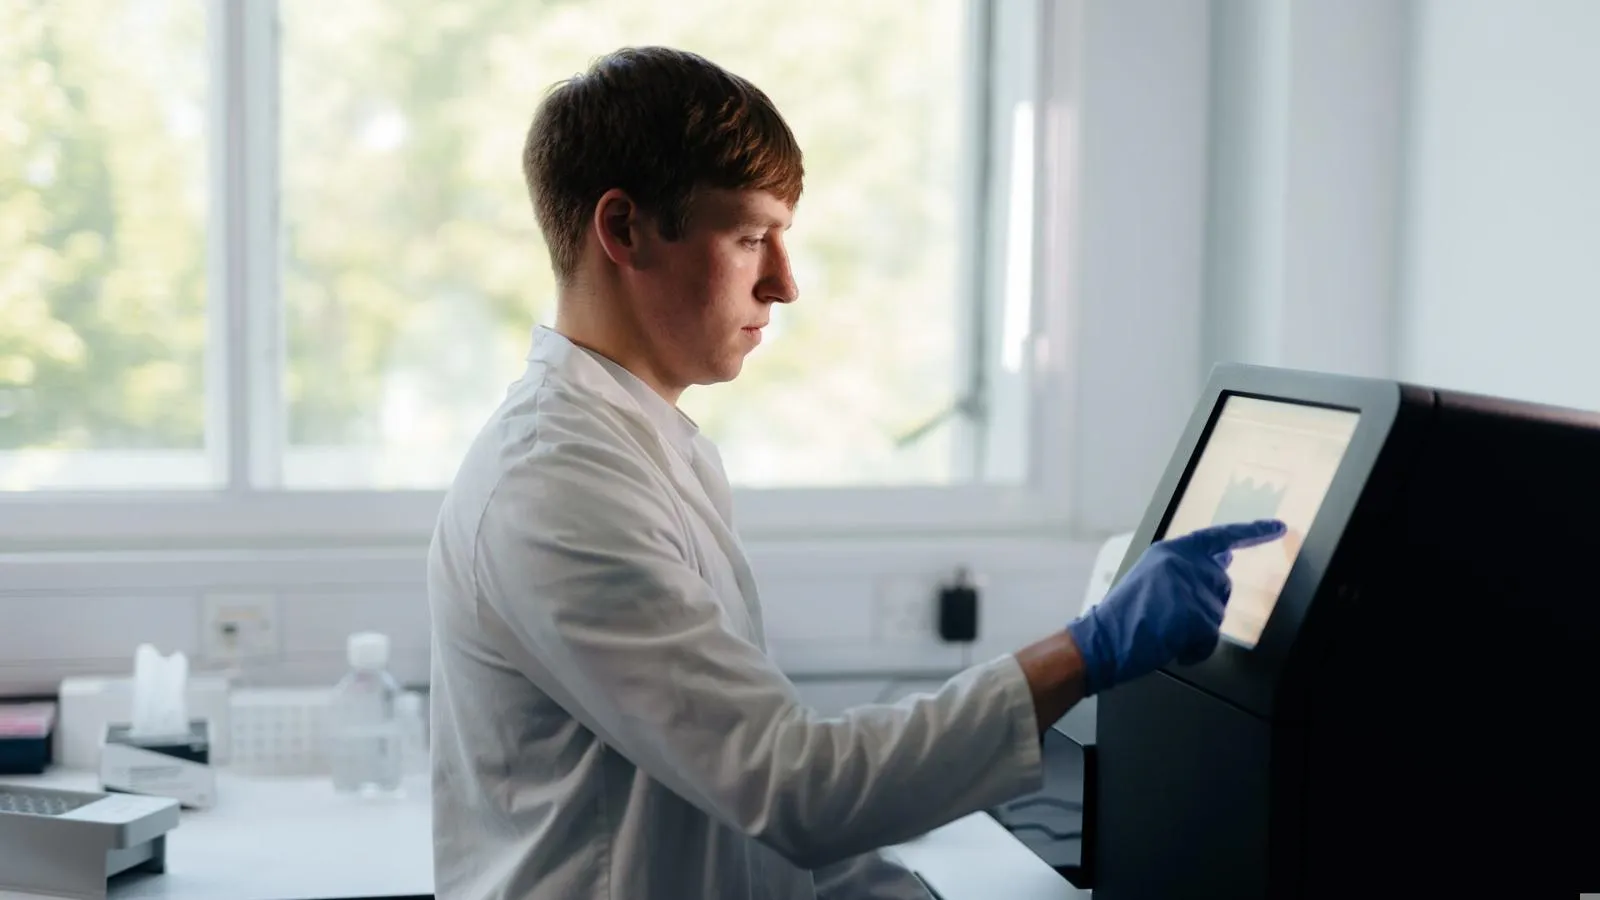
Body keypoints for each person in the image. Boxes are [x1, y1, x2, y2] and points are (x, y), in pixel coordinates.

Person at [425, 46, 1285, 900]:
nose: (786, 285)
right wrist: (1086, 652)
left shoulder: (638, 447)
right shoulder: (558, 486)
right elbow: (795, 789)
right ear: (623, 230)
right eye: (752, 236)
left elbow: (744, 813)